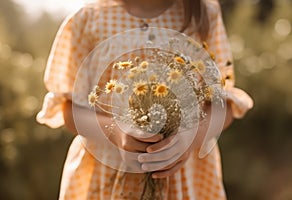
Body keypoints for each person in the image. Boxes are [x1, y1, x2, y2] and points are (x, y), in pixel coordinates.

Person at [36, 0, 253, 199]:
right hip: (105, 178)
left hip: (185, 179)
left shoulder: (204, 15)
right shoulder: (87, 20)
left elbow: (222, 104)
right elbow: (69, 109)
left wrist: (190, 137)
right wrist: (116, 132)